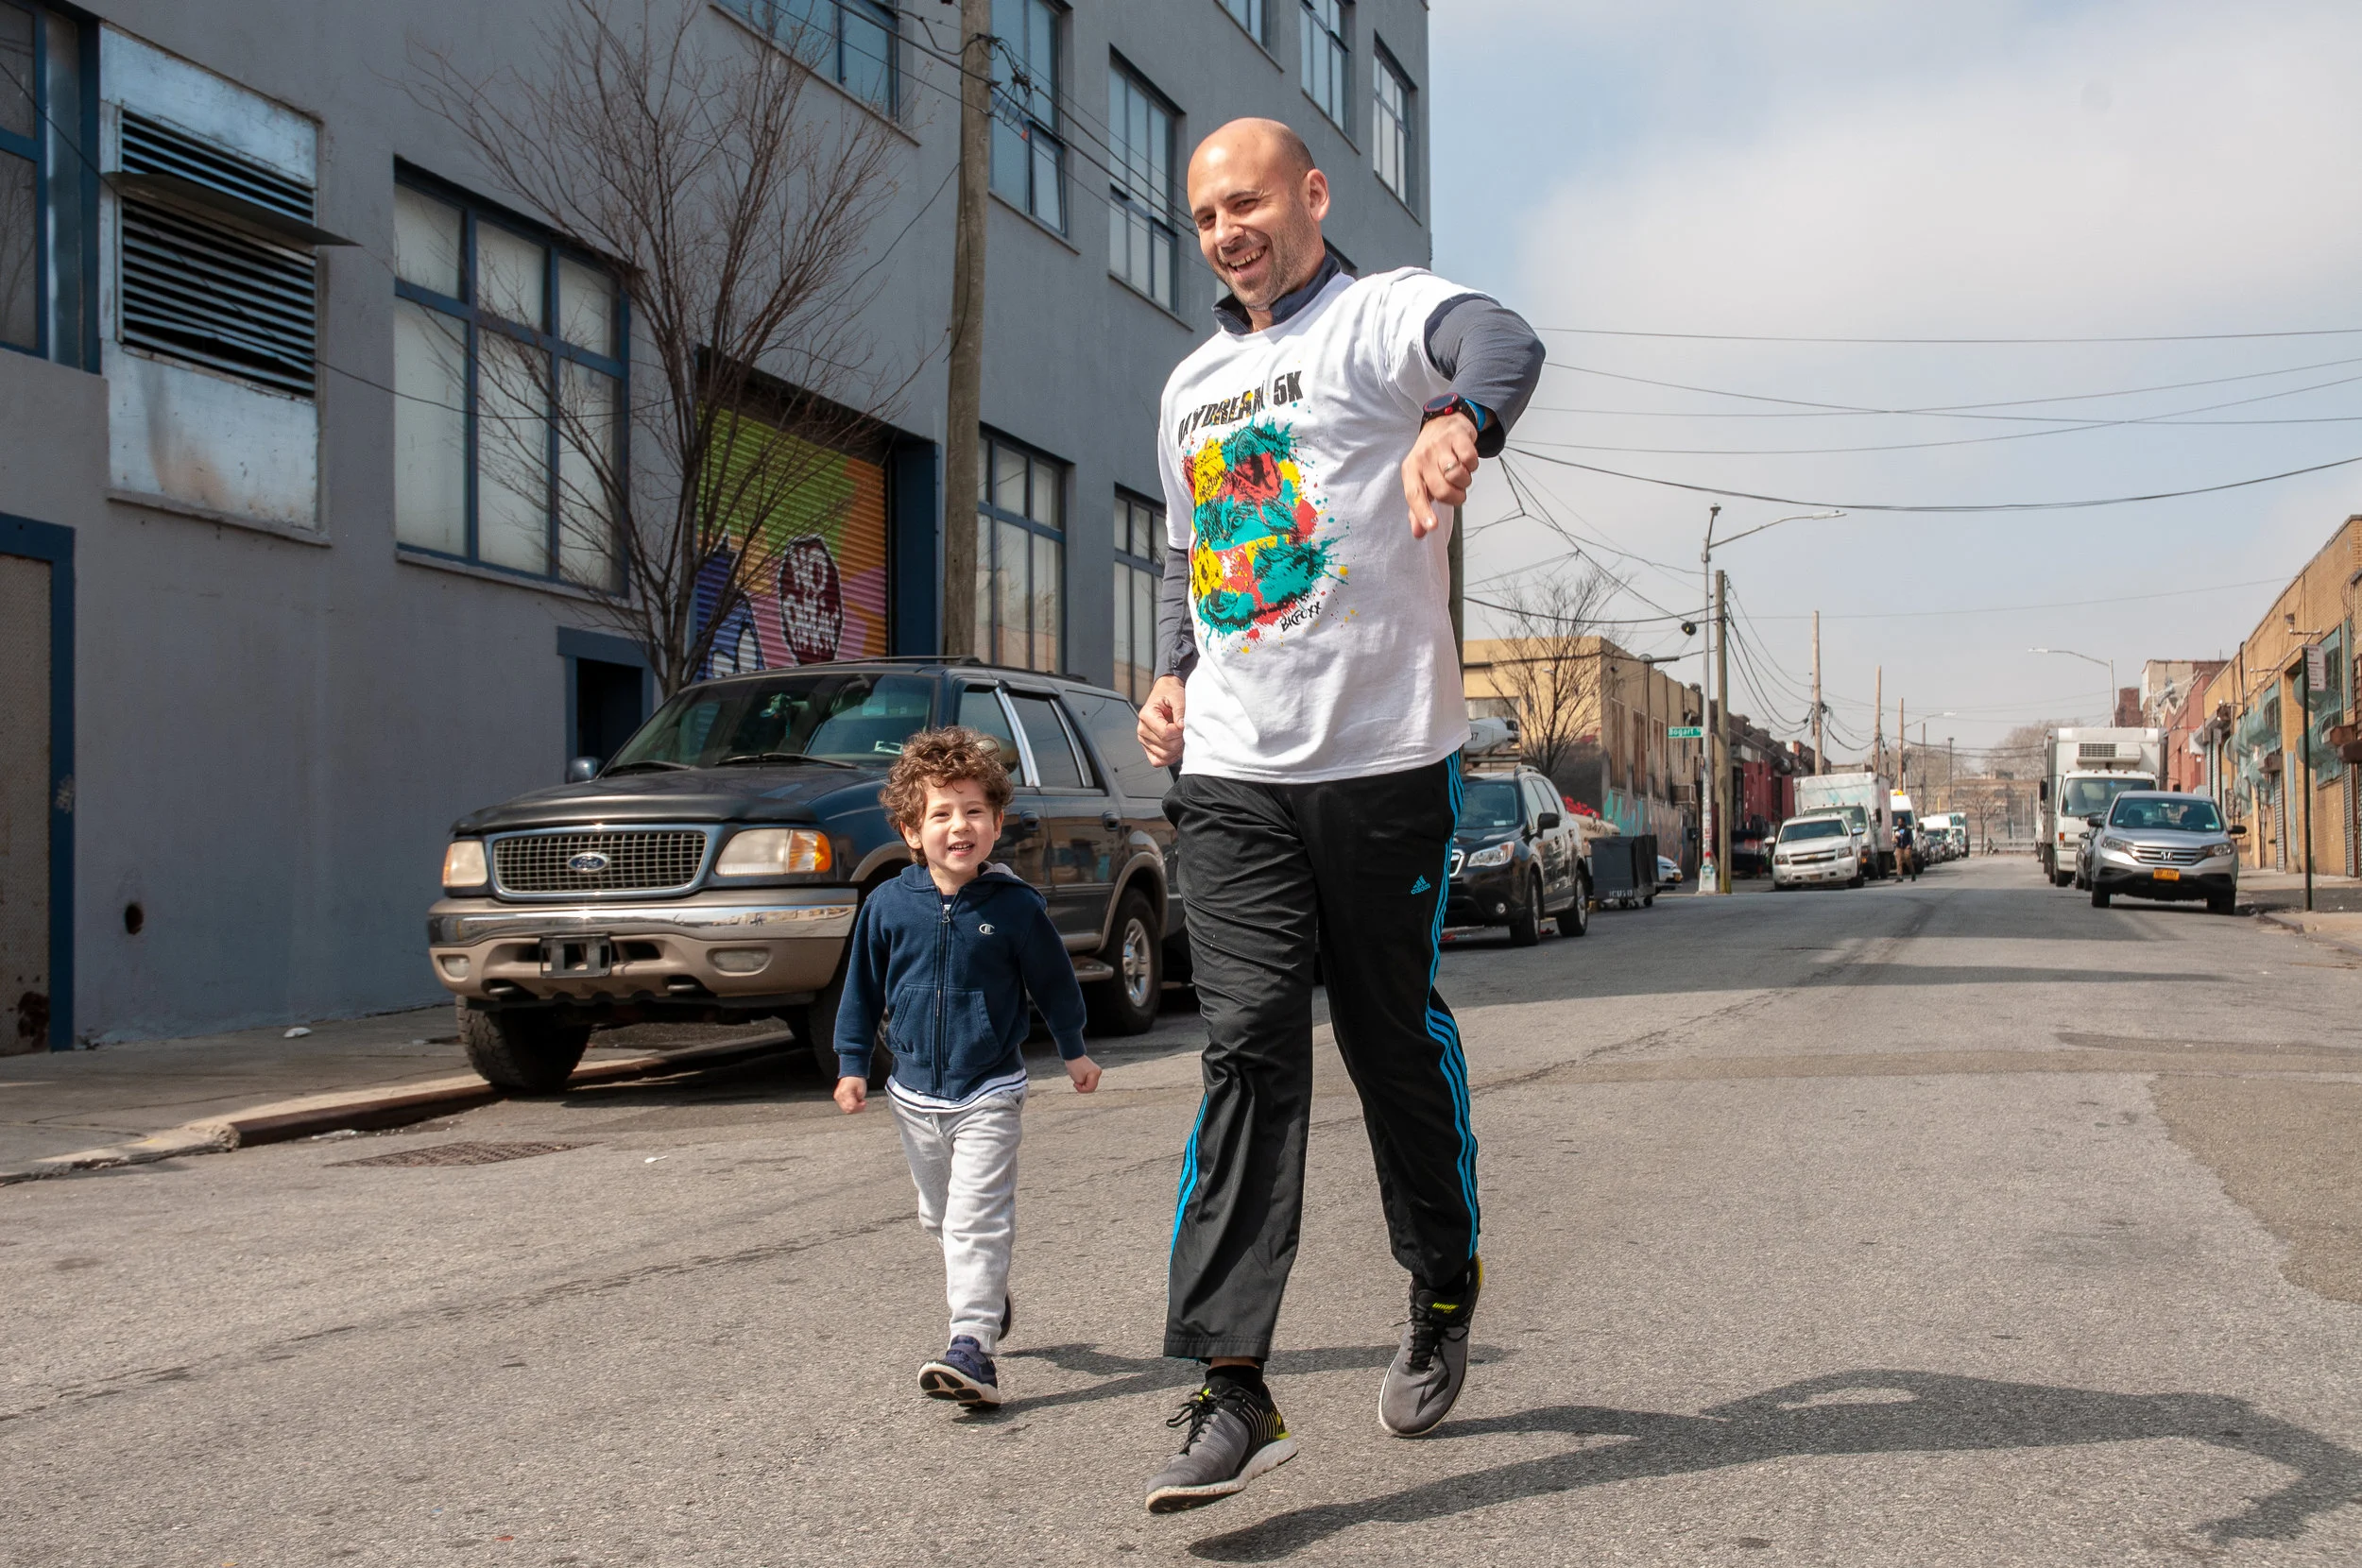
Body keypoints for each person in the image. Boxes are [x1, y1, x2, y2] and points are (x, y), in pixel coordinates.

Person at [1134, 118, 1546, 1512]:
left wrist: (1457, 419)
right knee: (1248, 1046)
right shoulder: (1190, 385)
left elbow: (1502, 339)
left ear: (1311, 195)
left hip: (1382, 766)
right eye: (1204, 216)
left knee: (1386, 1038)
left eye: (1247, 202)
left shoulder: (1378, 319)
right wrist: (1174, 674)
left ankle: (1442, 1281)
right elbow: (1193, 555)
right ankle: (1232, 1383)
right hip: (1235, 776)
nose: (1225, 232)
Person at [831, 726, 1102, 1408]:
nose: (960, 826)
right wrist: (852, 1063)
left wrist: (1073, 1048)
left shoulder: (1014, 908)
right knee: (941, 1218)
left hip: (989, 1090)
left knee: (975, 1218)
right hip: (914, 1096)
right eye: (941, 814)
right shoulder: (888, 907)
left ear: (997, 823)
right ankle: (986, 1290)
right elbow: (861, 990)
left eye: (975, 811)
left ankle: (972, 1346)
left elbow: (1054, 983)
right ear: (910, 830)